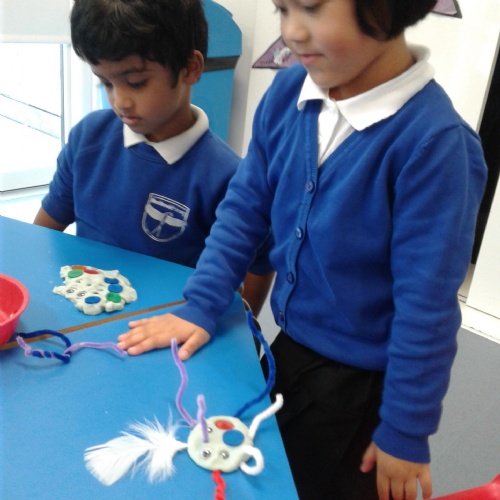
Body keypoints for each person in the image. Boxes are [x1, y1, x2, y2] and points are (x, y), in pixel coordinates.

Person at [117, 0, 488, 499]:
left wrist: (405, 429)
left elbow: (426, 307)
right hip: (294, 345)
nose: (291, 31)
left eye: (310, 7)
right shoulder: (291, 91)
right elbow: (245, 207)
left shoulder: (436, 147)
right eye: (282, 8)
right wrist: (202, 305)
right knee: (263, 467)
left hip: (364, 382)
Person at [33, 0, 273, 315]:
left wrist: (244, 327)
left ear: (190, 68)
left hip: (164, 328)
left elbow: (259, 263)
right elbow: (43, 232)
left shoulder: (227, 176)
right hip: (83, 313)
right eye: (106, 82)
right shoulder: (87, 139)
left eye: (136, 83)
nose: (120, 101)